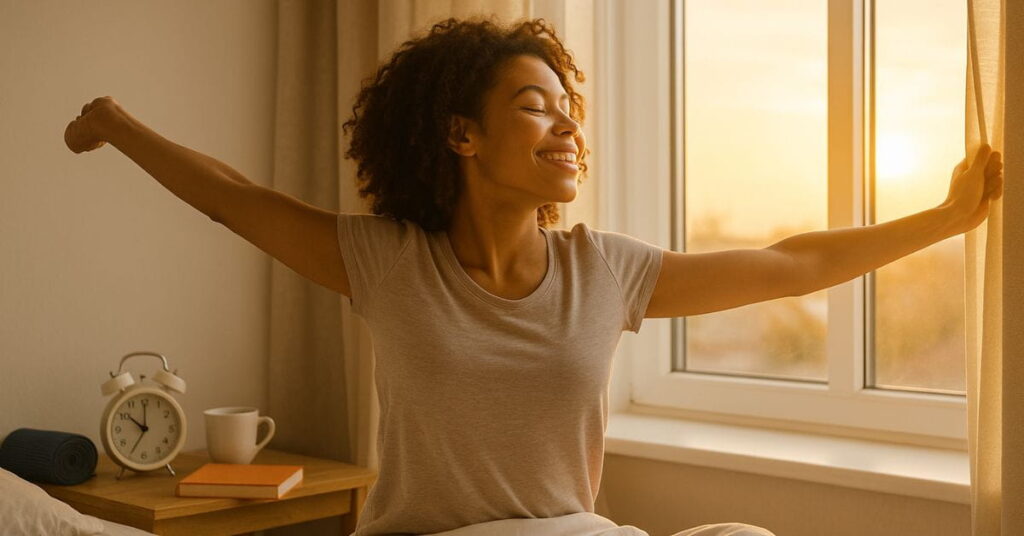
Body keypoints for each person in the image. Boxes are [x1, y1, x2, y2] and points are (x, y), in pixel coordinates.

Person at [64, 15, 1002, 536]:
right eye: (534, 106)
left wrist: (947, 218)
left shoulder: (607, 271)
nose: (567, 127)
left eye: (569, 108)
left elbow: (791, 264)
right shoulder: (389, 261)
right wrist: (116, 124)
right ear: (461, 135)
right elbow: (235, 199)